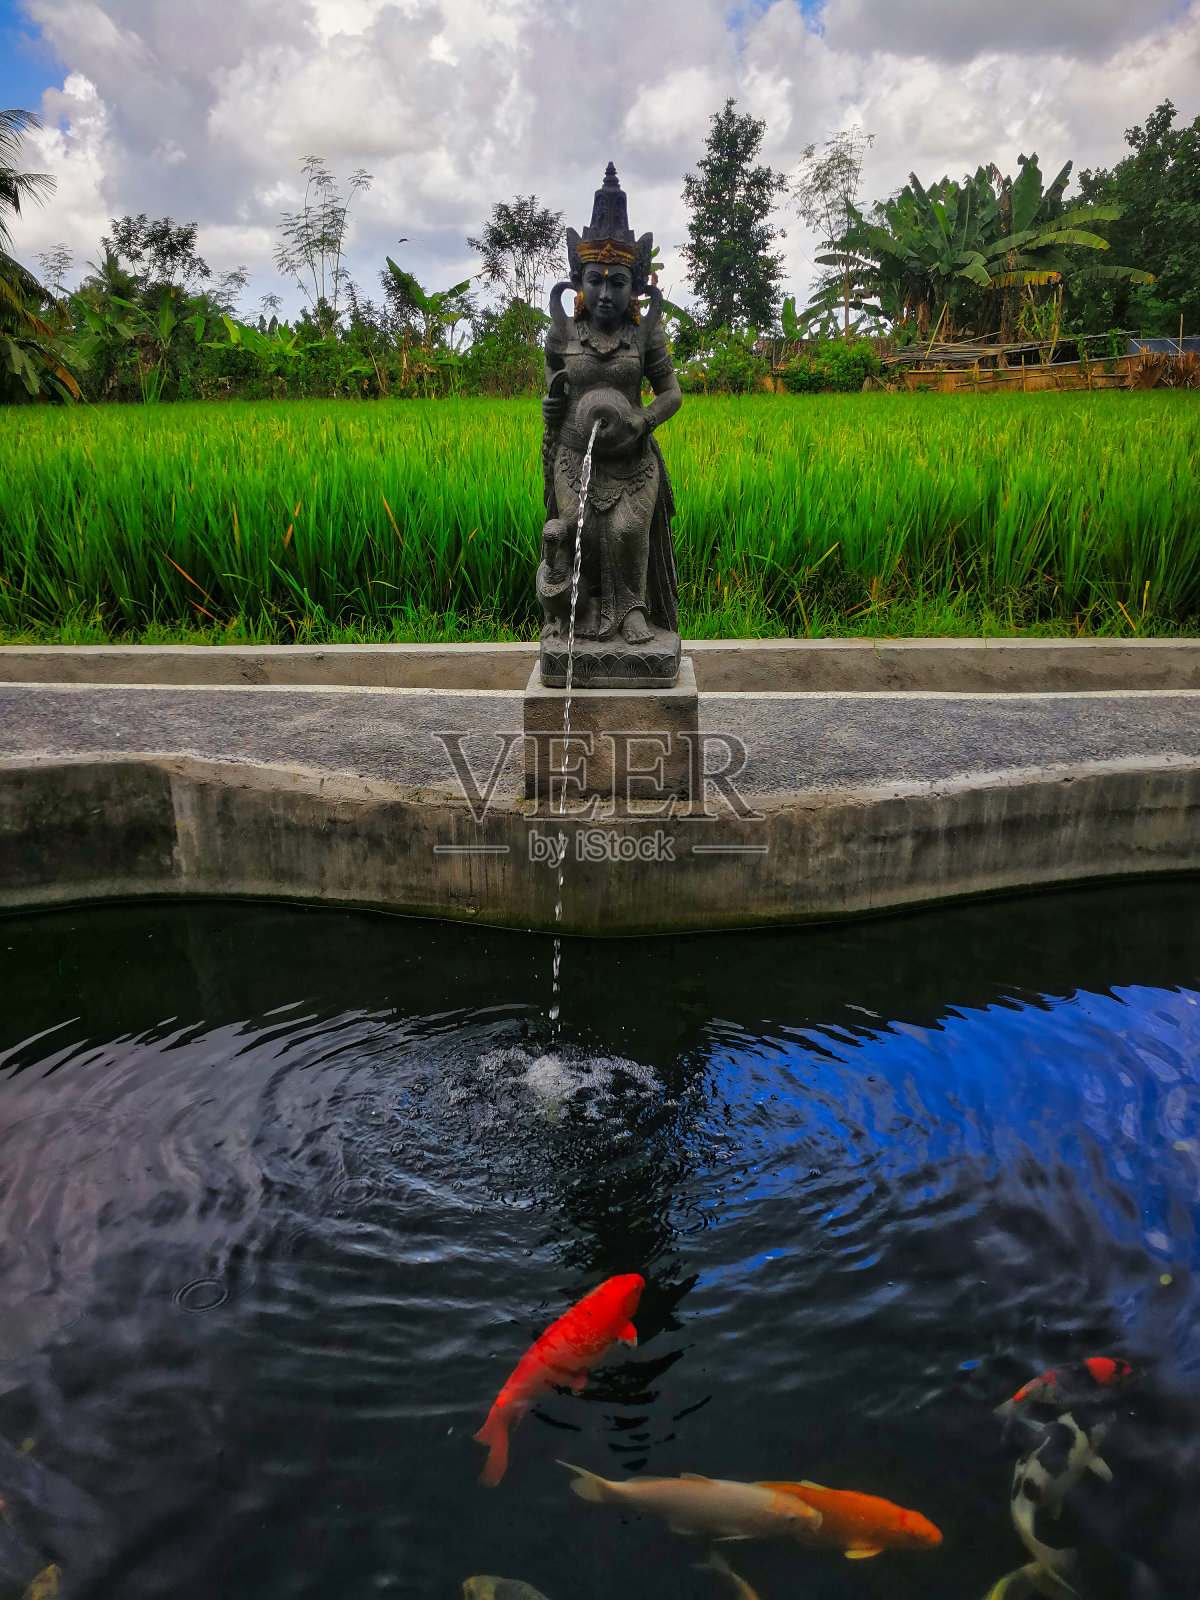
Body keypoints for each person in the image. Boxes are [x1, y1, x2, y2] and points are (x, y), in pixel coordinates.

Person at [538, 164, 682, 653]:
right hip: (574, 456)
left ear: (636, 288)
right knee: (573, 524)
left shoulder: (644, 334)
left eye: (618, 282)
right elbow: (552, 394)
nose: (605, 294)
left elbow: (671, 393)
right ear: (578, 282)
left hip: (631, 461)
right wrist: (551, 407)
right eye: (595, 281)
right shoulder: (562, 335)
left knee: (625, 528)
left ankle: (634, 610)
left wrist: (644, 419)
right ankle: (577, 608)